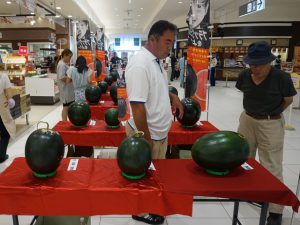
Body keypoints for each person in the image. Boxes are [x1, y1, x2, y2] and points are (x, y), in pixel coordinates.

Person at [125, 20, 184, 225]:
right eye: (167, 42)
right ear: (152, 39)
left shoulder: (155, 61)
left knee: (153, 175)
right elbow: (137, 106)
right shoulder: (140, 64)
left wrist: (171, 96)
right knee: (144, 176)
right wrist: (146, 140)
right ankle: (140, 212)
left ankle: (150, 203)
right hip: (146, 134)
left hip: (158, 132)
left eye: (172, 43)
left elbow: (154, 89)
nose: (171, 47)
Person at [236, 41, 297, 225]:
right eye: (251, 64)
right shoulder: (245, 75)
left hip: (271, 123)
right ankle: (251, 192)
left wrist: (272, 111)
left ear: (269, 62)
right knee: (244, 159)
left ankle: (275, 210)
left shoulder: (281, 78)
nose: (253, 68)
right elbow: (244, 91)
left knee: (271, 164)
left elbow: (288, 99)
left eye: (258, 64)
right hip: (247, 119)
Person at [0, 69, 16, 163]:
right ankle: (1, 155)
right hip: (1, 107)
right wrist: (10, 101)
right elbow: (9, 95)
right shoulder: (3, 76)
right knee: (5, 132)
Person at [56, 48, 74, 121]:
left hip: (67, 89)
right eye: (69, 57)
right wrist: (70, 78)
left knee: (68, 106)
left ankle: (66, 121)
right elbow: (62, 77)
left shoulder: (64, 64)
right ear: (65, 55)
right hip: (65, 89)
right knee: (66, 107)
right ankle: (64, 122)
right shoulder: (61, 65)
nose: (70, 59)